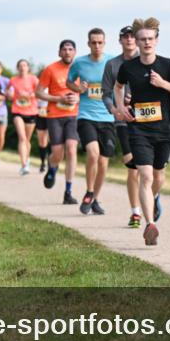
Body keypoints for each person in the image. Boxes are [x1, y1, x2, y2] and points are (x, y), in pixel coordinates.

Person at [115, 17, 170, 245]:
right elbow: (118, 87)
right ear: (136, 42)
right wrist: (120, 108)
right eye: (142, 39)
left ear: (156, 40)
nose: (146, 43)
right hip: (138, 130)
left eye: (150, 39)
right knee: (145, 176)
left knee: (158, 176)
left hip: (163, 131)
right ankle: (150, 225)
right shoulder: (129, 67)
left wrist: (163, 84)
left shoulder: (168, 65)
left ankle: (155, 197)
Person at [67, 28, 115, 215]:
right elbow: (69, 82)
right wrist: (78, 88)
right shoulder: (79, 63)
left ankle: (94, 197)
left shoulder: (112, 62)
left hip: (107, 117)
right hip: (86, 116)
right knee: (93, 153)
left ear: (104, 43)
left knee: (103, 162)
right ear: (88, 44)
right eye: (93, 42)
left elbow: (120, 83)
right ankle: (88, 191)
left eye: (100, 42)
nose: (96, 46)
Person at [103, 25, 142, 228]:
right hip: (122, 121)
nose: (129, 40)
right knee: (132, 166)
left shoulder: (147, 60)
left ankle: (152, 199)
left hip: (145, 119)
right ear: (120, 41)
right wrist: (114, 108)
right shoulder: (112, 64)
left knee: (150, 169)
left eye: (132, 36)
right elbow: (105, 92)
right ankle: (135, 212)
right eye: (125, 37)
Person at [36, 40, 80, 205]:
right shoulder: (51, 69)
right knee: (58, 153)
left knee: (71, 149)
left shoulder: (81, 69)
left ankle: (68, 191)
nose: (67, 52)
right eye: (64, 49)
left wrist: (77, 97)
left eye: (70, 49)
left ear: (74, 52)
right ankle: (52, 168)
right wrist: (58, 98)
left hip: (74, 115)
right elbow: (39, 93)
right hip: (54, 115)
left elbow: (86, 92)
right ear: (59, 52)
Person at [9, 59, 39, 175]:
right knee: (22, 137)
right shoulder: (13, 80)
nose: (22, 67)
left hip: (31, 111)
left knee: (27, 139)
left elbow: (39, 93)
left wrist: (29, 95)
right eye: (20, 65)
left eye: (25, 65)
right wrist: (10, 95)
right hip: (17, 111)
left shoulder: (33, 79)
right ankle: (24, 165)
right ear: (17, 68)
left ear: (28, 68)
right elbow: (8, 92)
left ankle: (27, 159)